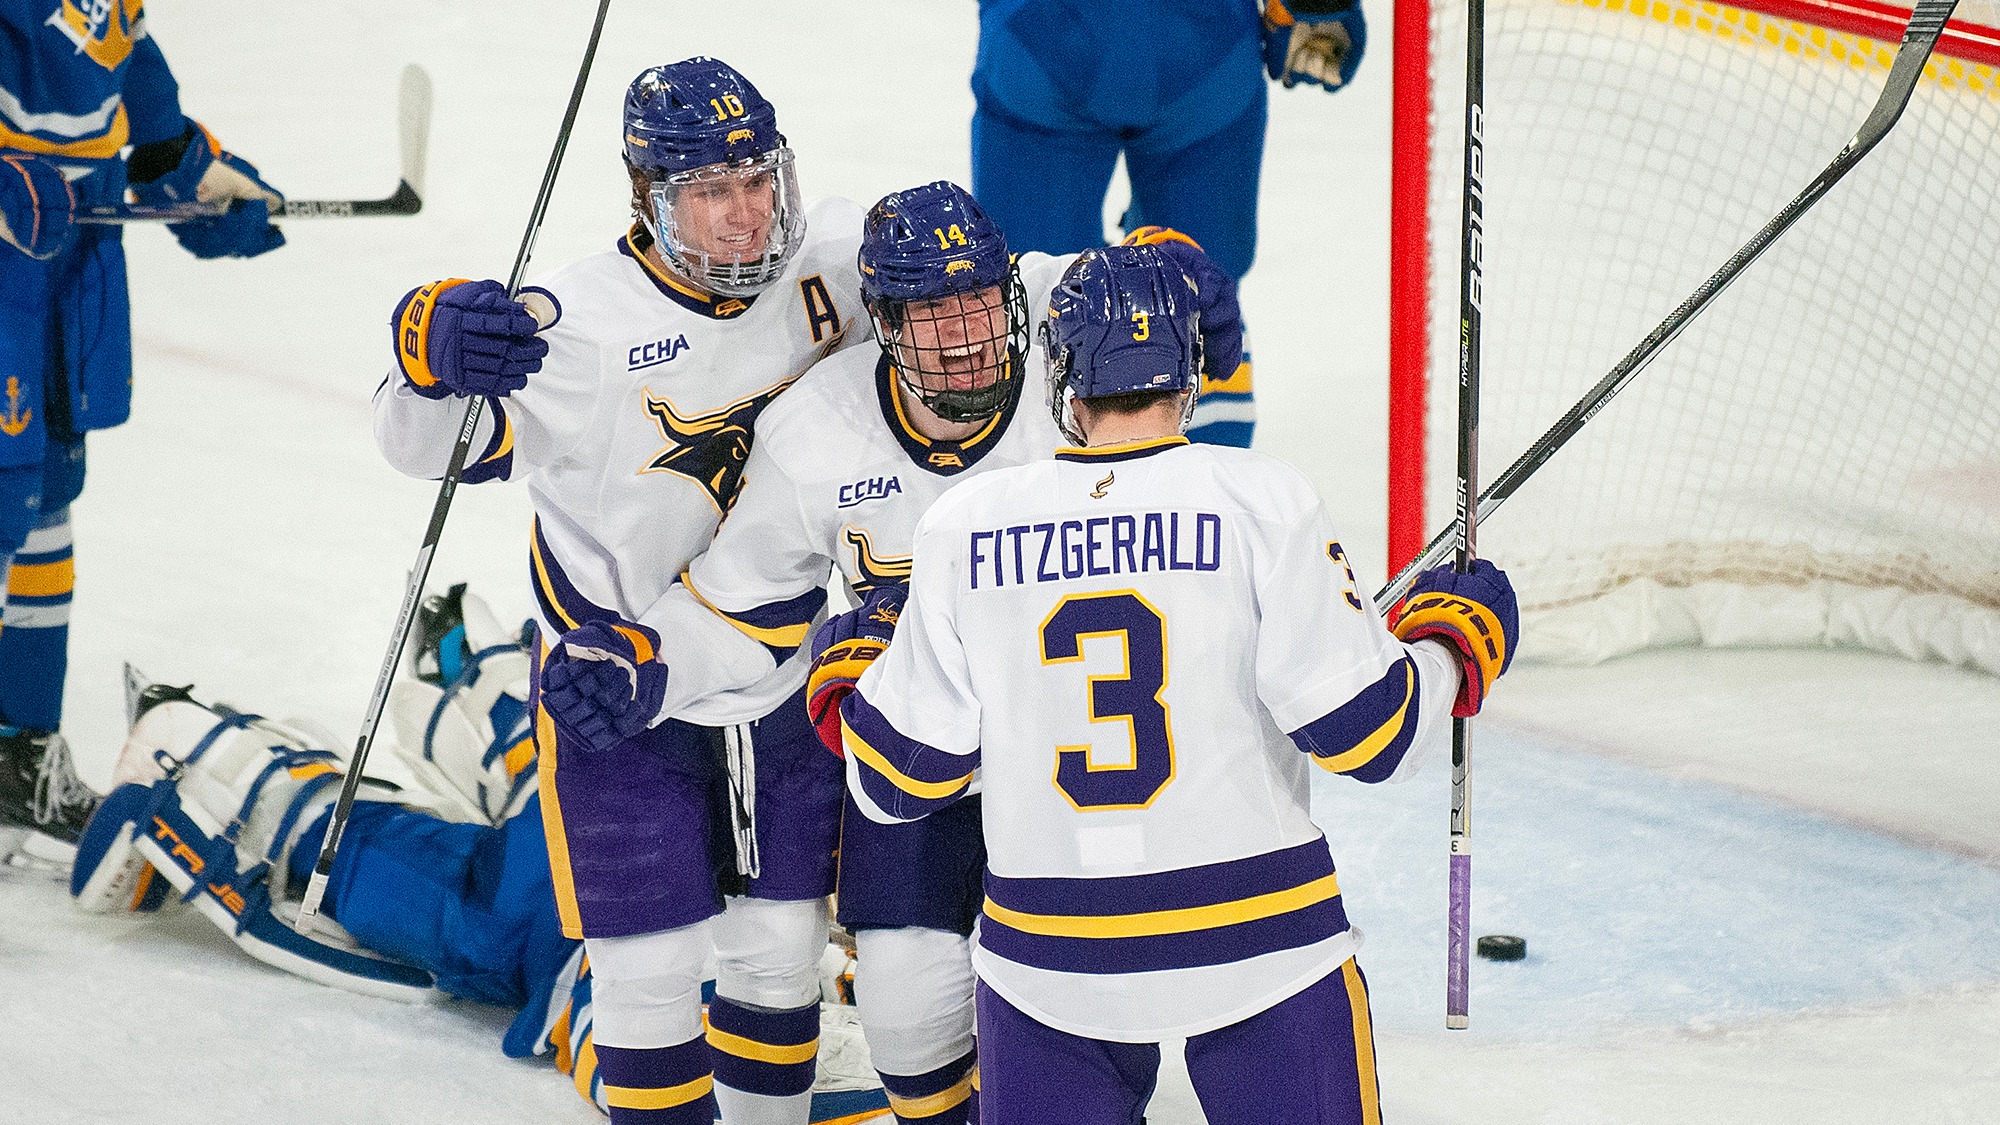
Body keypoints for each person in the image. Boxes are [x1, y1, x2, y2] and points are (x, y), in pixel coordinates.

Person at [579, 180, 1239, 1125]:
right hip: (917, 769)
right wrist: (650, 664)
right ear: (882, 324)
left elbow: (1141, 281)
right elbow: (739, 606)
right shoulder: (814, 434)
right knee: (904, 1008)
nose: (967, 331)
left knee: (1111, 1005)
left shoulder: (1068, 342)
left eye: (980, 300)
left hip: (1076, 769)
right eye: (933, 313)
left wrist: (1175, 269)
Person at [811, 244, 1519, 1124]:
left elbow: (895, 781)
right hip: (1258, 944)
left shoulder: (964, 526)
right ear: (1189, 377)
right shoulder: (1262, 498)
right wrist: (1455, 643)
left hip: (1049, 964)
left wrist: (845, 667)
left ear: (1060, 377)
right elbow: (1371, 738)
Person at [373, 58, 869, 1125]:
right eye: (708, 191)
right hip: (612, 692)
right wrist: (426, 362)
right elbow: (424, 449)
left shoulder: (828, 270)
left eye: (755, 182)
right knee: (642, 984)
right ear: (646, 196)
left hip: (782, 675)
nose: (743, 217)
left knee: (780, 957)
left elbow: (971, 297)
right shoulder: (578, 327)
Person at [63, 585, 891, 1125]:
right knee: (478, 901)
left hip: (647, 798)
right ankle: (214, 756)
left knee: (566, 799)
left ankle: (479, 683)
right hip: (607, 896)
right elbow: (633, 1050)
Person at [0, 0, 286, 840]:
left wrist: (190, 174)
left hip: (61, 277)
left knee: (46, 501)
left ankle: (20, 752)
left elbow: (132, 81)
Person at [967, 0, 1368, 448]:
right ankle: (1201, 495)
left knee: (1036, 296)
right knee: (1194, 290)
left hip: (1043, 44)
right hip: (1200, 57)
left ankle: (1039, 490)